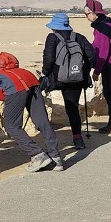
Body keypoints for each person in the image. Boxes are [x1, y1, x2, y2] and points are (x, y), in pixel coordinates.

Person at [41, 13, 94, 149]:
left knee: (38, 101)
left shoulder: (52, 38)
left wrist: (45, 74)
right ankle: (78, 139)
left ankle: (46, 140)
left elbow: (49, 59)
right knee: (72, 108)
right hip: (76, 79)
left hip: (57, 79)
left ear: (54, 26)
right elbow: (92, 58)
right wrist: (83, 72)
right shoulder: (79, 37)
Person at [82, 0, 111, 134]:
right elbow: (97, 45)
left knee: (109, 93)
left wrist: (96, 71)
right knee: (109, 92)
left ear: (95, 13)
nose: (86, 16)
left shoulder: (102, 28)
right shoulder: (106, 24)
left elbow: (103, 51)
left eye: (87, 14)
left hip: (110, 64)